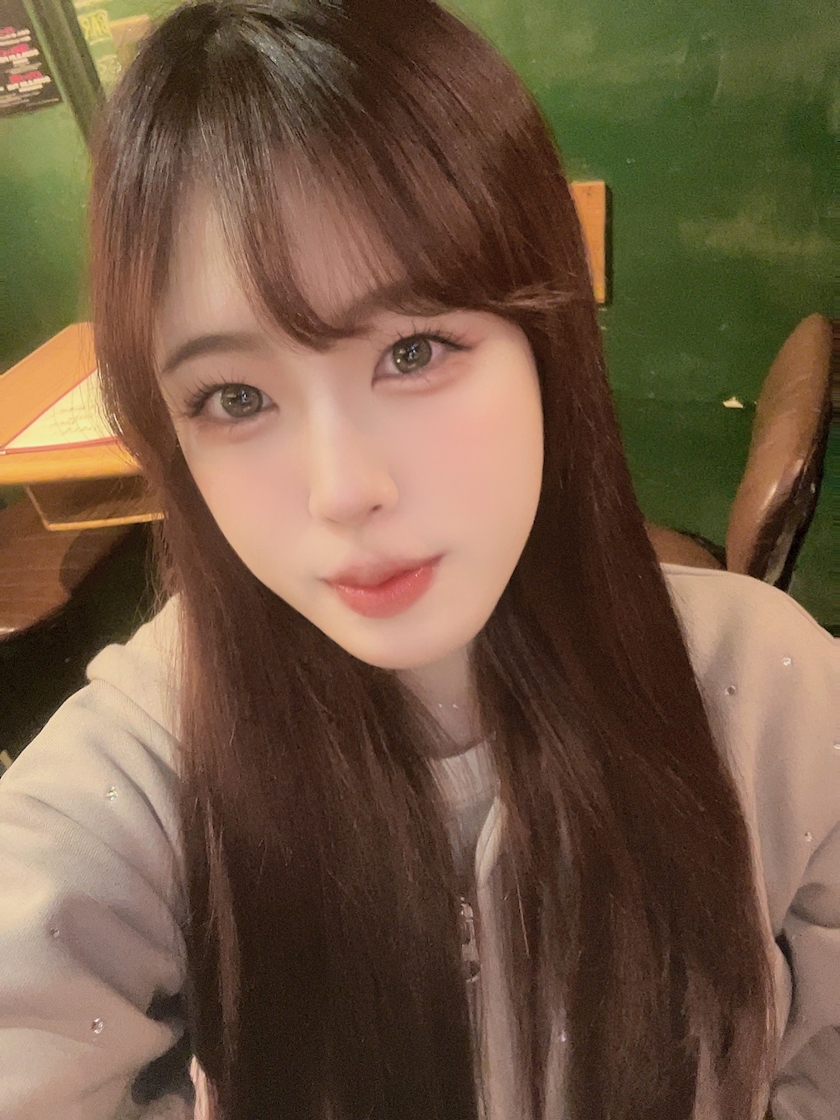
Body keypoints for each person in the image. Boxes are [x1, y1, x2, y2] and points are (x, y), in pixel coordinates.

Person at [0, 2, 836, 1118]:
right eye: (235, 397)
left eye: (414, 349)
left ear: (547, 344)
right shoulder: (151, 766)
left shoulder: (777, 699)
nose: (343, 489)